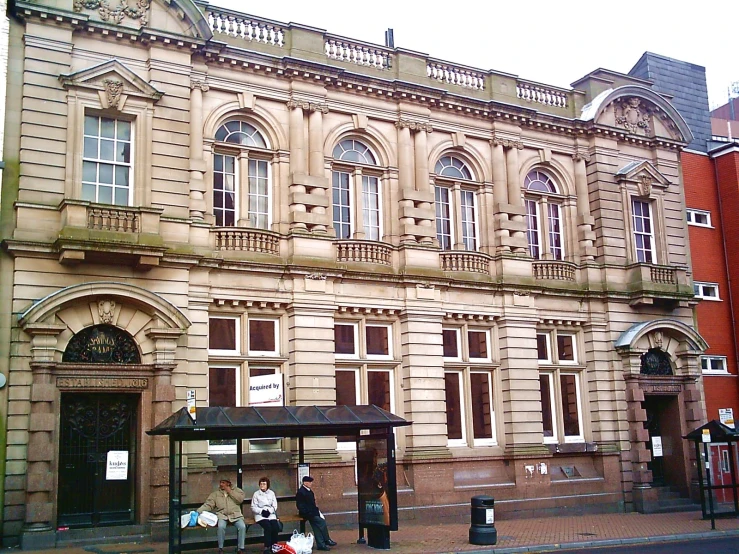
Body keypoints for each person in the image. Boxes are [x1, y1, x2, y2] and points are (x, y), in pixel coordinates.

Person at [198, 478, 247, 554]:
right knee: (221, 527)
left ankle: (241, 548)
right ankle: (221, 548)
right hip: (222, 515)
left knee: (242, 526)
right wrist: (198, 511)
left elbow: (240, 500)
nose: (221, 484)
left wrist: (230, 492)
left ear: (228, 483)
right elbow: (208, 505)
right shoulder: (216, 494)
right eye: (220, 482)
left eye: (223, 482)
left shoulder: (237, 491)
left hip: (235, 515)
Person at [295, 475, 336, 551]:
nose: (311, 483)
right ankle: (327, 539)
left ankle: (321, 544)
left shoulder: (308, 491)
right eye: (310, 482)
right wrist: (308, 512)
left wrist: (316, 511)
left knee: (316, 527)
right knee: (321, 522)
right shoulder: (301, 492)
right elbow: (300, 505)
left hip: (312, 512)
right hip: (308, 513)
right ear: (305, 483)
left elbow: (312, 504)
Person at [251, 476, 281, 554]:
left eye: (264, 484)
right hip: (260, 515)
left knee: (275, 527)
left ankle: (274, 545)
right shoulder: (256, 494)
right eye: (261, 484)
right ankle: (267, 546)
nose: (262, 486)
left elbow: (275, 505)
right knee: (268, 527)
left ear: (267, 485)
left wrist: (269, 511)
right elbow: (253, 506)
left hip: (270, 514)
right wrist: (261, 511)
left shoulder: (271, 493)